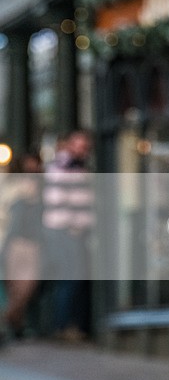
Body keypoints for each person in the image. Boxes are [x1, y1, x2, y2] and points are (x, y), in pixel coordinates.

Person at [43, 130, 95, 341]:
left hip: (74, 231)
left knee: (75, 279)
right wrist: (74, 224)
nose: (82, 149)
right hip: (65, 231)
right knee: (70, 278)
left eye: (85, 146)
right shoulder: (62, 167)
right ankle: (63, 326)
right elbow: (59, 200)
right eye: (78, 145)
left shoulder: (78, 167)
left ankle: (72, 325)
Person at [1, 152, 43, 340]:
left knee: (26, 287)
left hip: (30, 243)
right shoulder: (11, 186)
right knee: (15, 288)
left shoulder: (40, 186)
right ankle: (14, 326)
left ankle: (8, 321)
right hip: (13, 242)